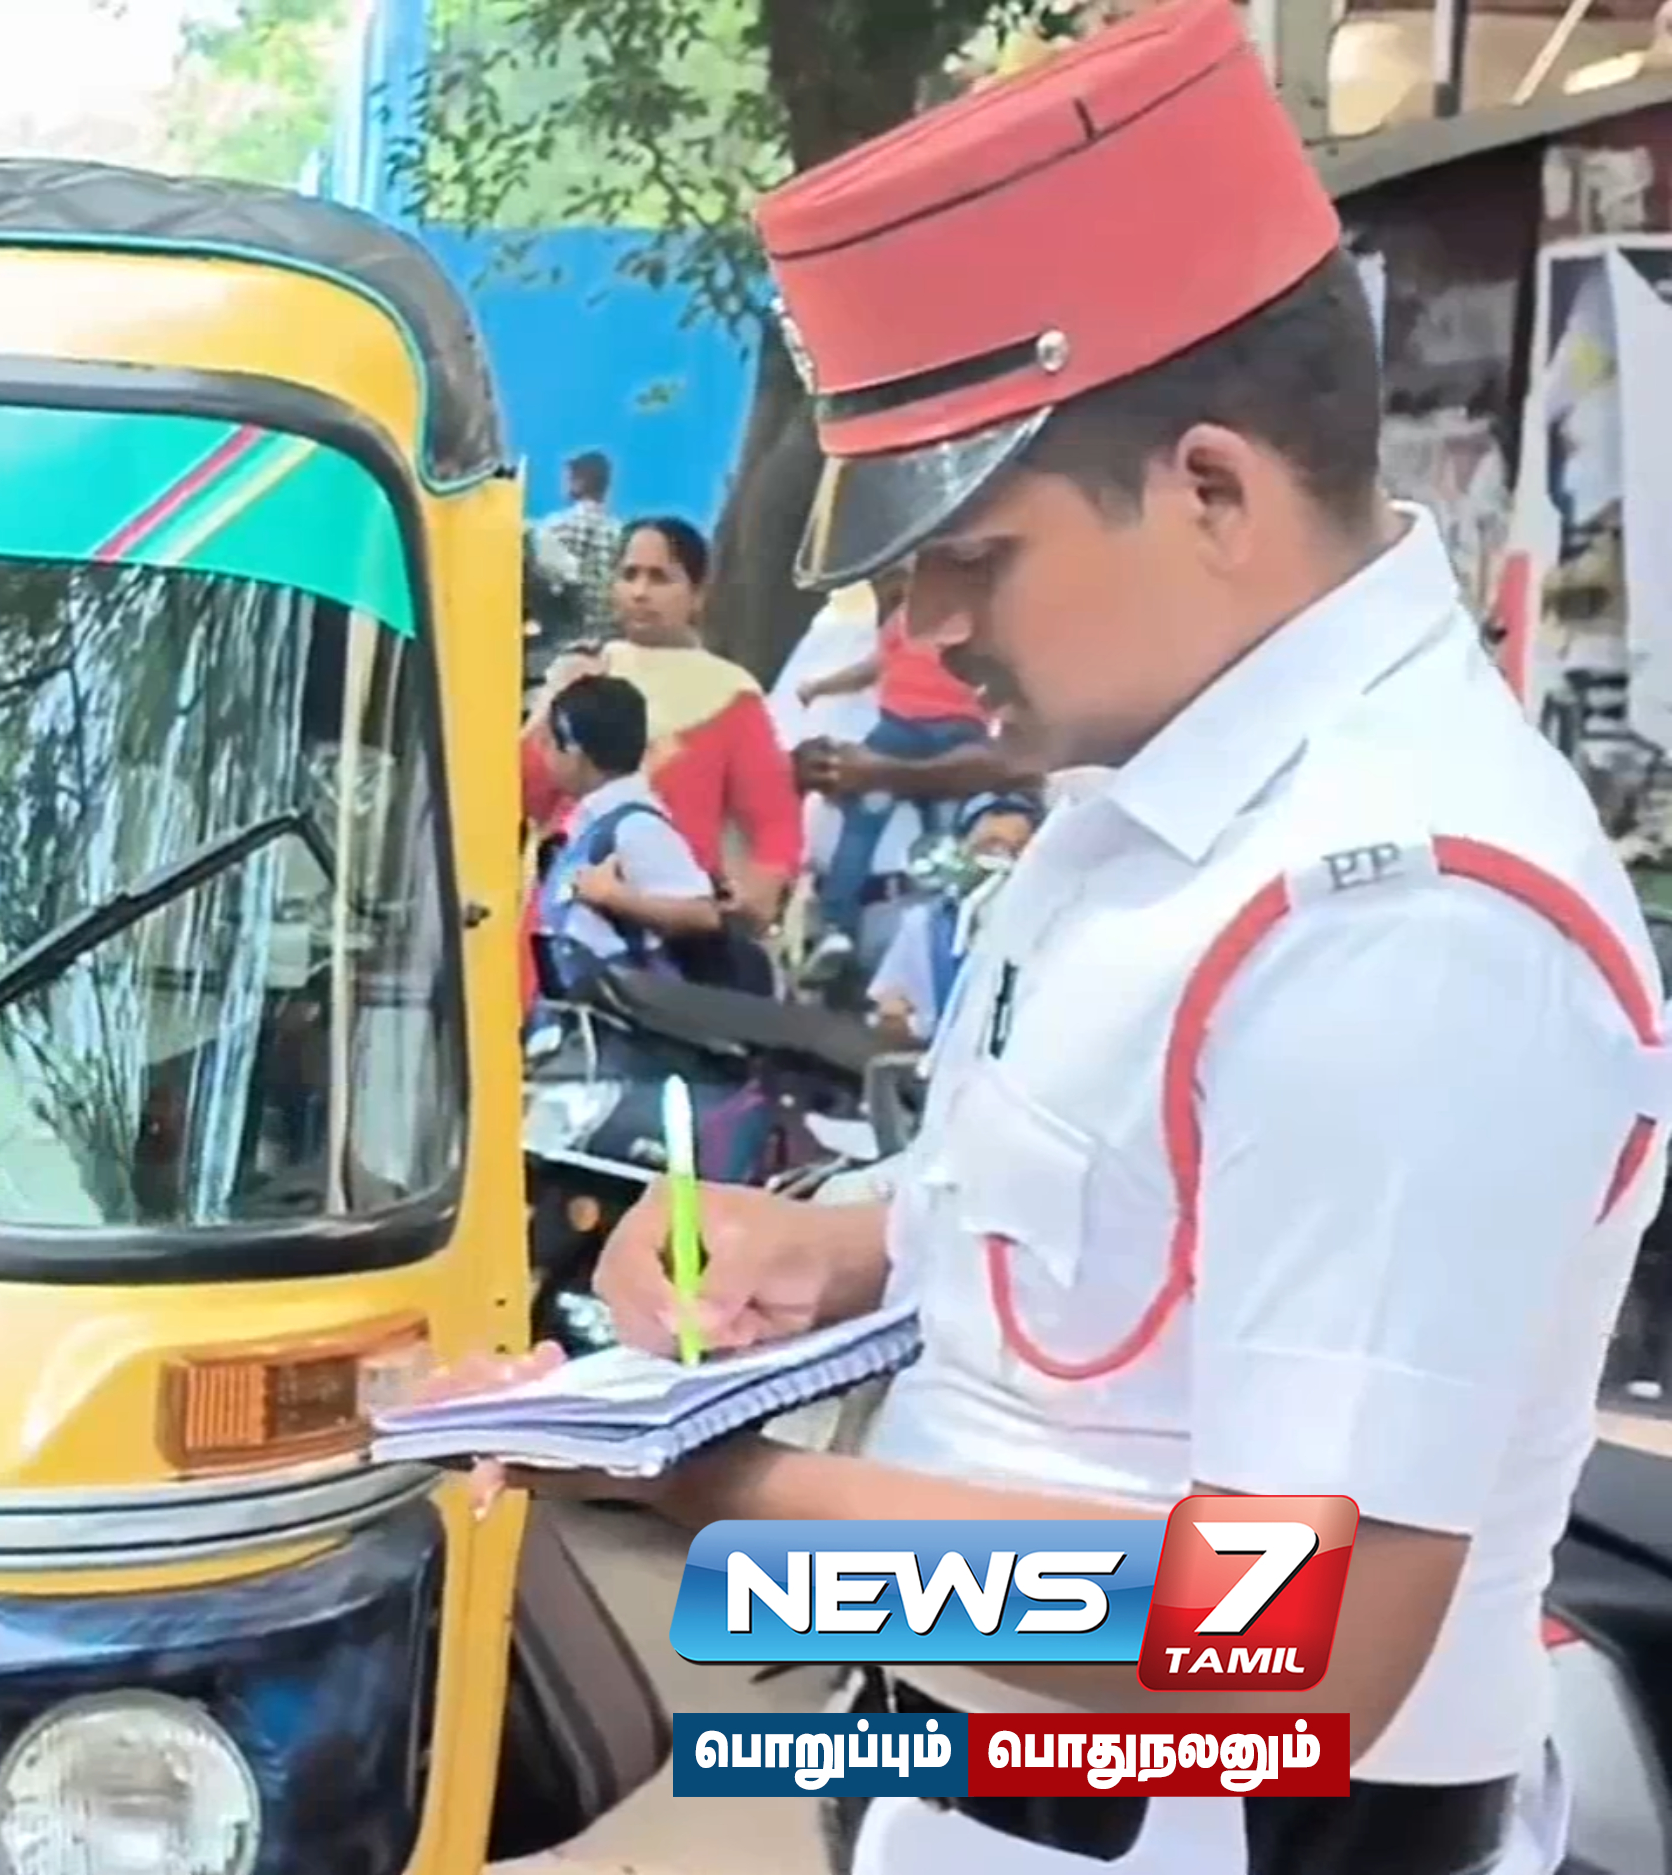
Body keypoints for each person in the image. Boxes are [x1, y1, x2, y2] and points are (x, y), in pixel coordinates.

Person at [439, 6, 1666, 1872]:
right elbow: (1127, 1250)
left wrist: (731, 1503)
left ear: (1209, 490)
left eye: (972, 558)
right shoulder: (1152, 798)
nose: (924, 635)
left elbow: (1299, 1638)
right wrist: (836, 1253)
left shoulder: (1402, 923)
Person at [521, 518, 805, 930]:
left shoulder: (729, 694)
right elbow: (526, 794)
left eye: (660, 578)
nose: (640, 592)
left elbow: (774, 820)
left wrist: (760, 892)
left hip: (669, 927)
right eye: (629, 575)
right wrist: (555, 702)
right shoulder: (585, 671)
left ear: (698, 594)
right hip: (565, 915)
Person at [795, 564, 996, 963]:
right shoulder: (981, 619)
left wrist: (819, 686)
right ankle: (944, 933)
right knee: (946, 837)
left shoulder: (910, 618)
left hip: (901, 731)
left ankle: (837, 927)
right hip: (957, 739)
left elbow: (871, 669)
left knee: (864, 822)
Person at [526, 674, 721, 996]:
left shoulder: (636, 827)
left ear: (574, 751)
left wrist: (614, 898)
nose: (543, 755)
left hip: (626, 1017)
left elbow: (701, 915)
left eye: (548, 743)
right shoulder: (592, 820)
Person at [864, 792, 1039, 1045]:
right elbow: (890, 1009)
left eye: (1015, 851)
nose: (999, 862)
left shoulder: (1051, 924)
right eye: (989, 847)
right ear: (961, 849)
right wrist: (897, 1020)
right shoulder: (926, 923)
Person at [527, 449, 621, 639]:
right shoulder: (620, 532)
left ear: (578, 482)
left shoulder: (555, 526)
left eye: (567, 479)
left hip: (565, 639)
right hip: (608, 639)